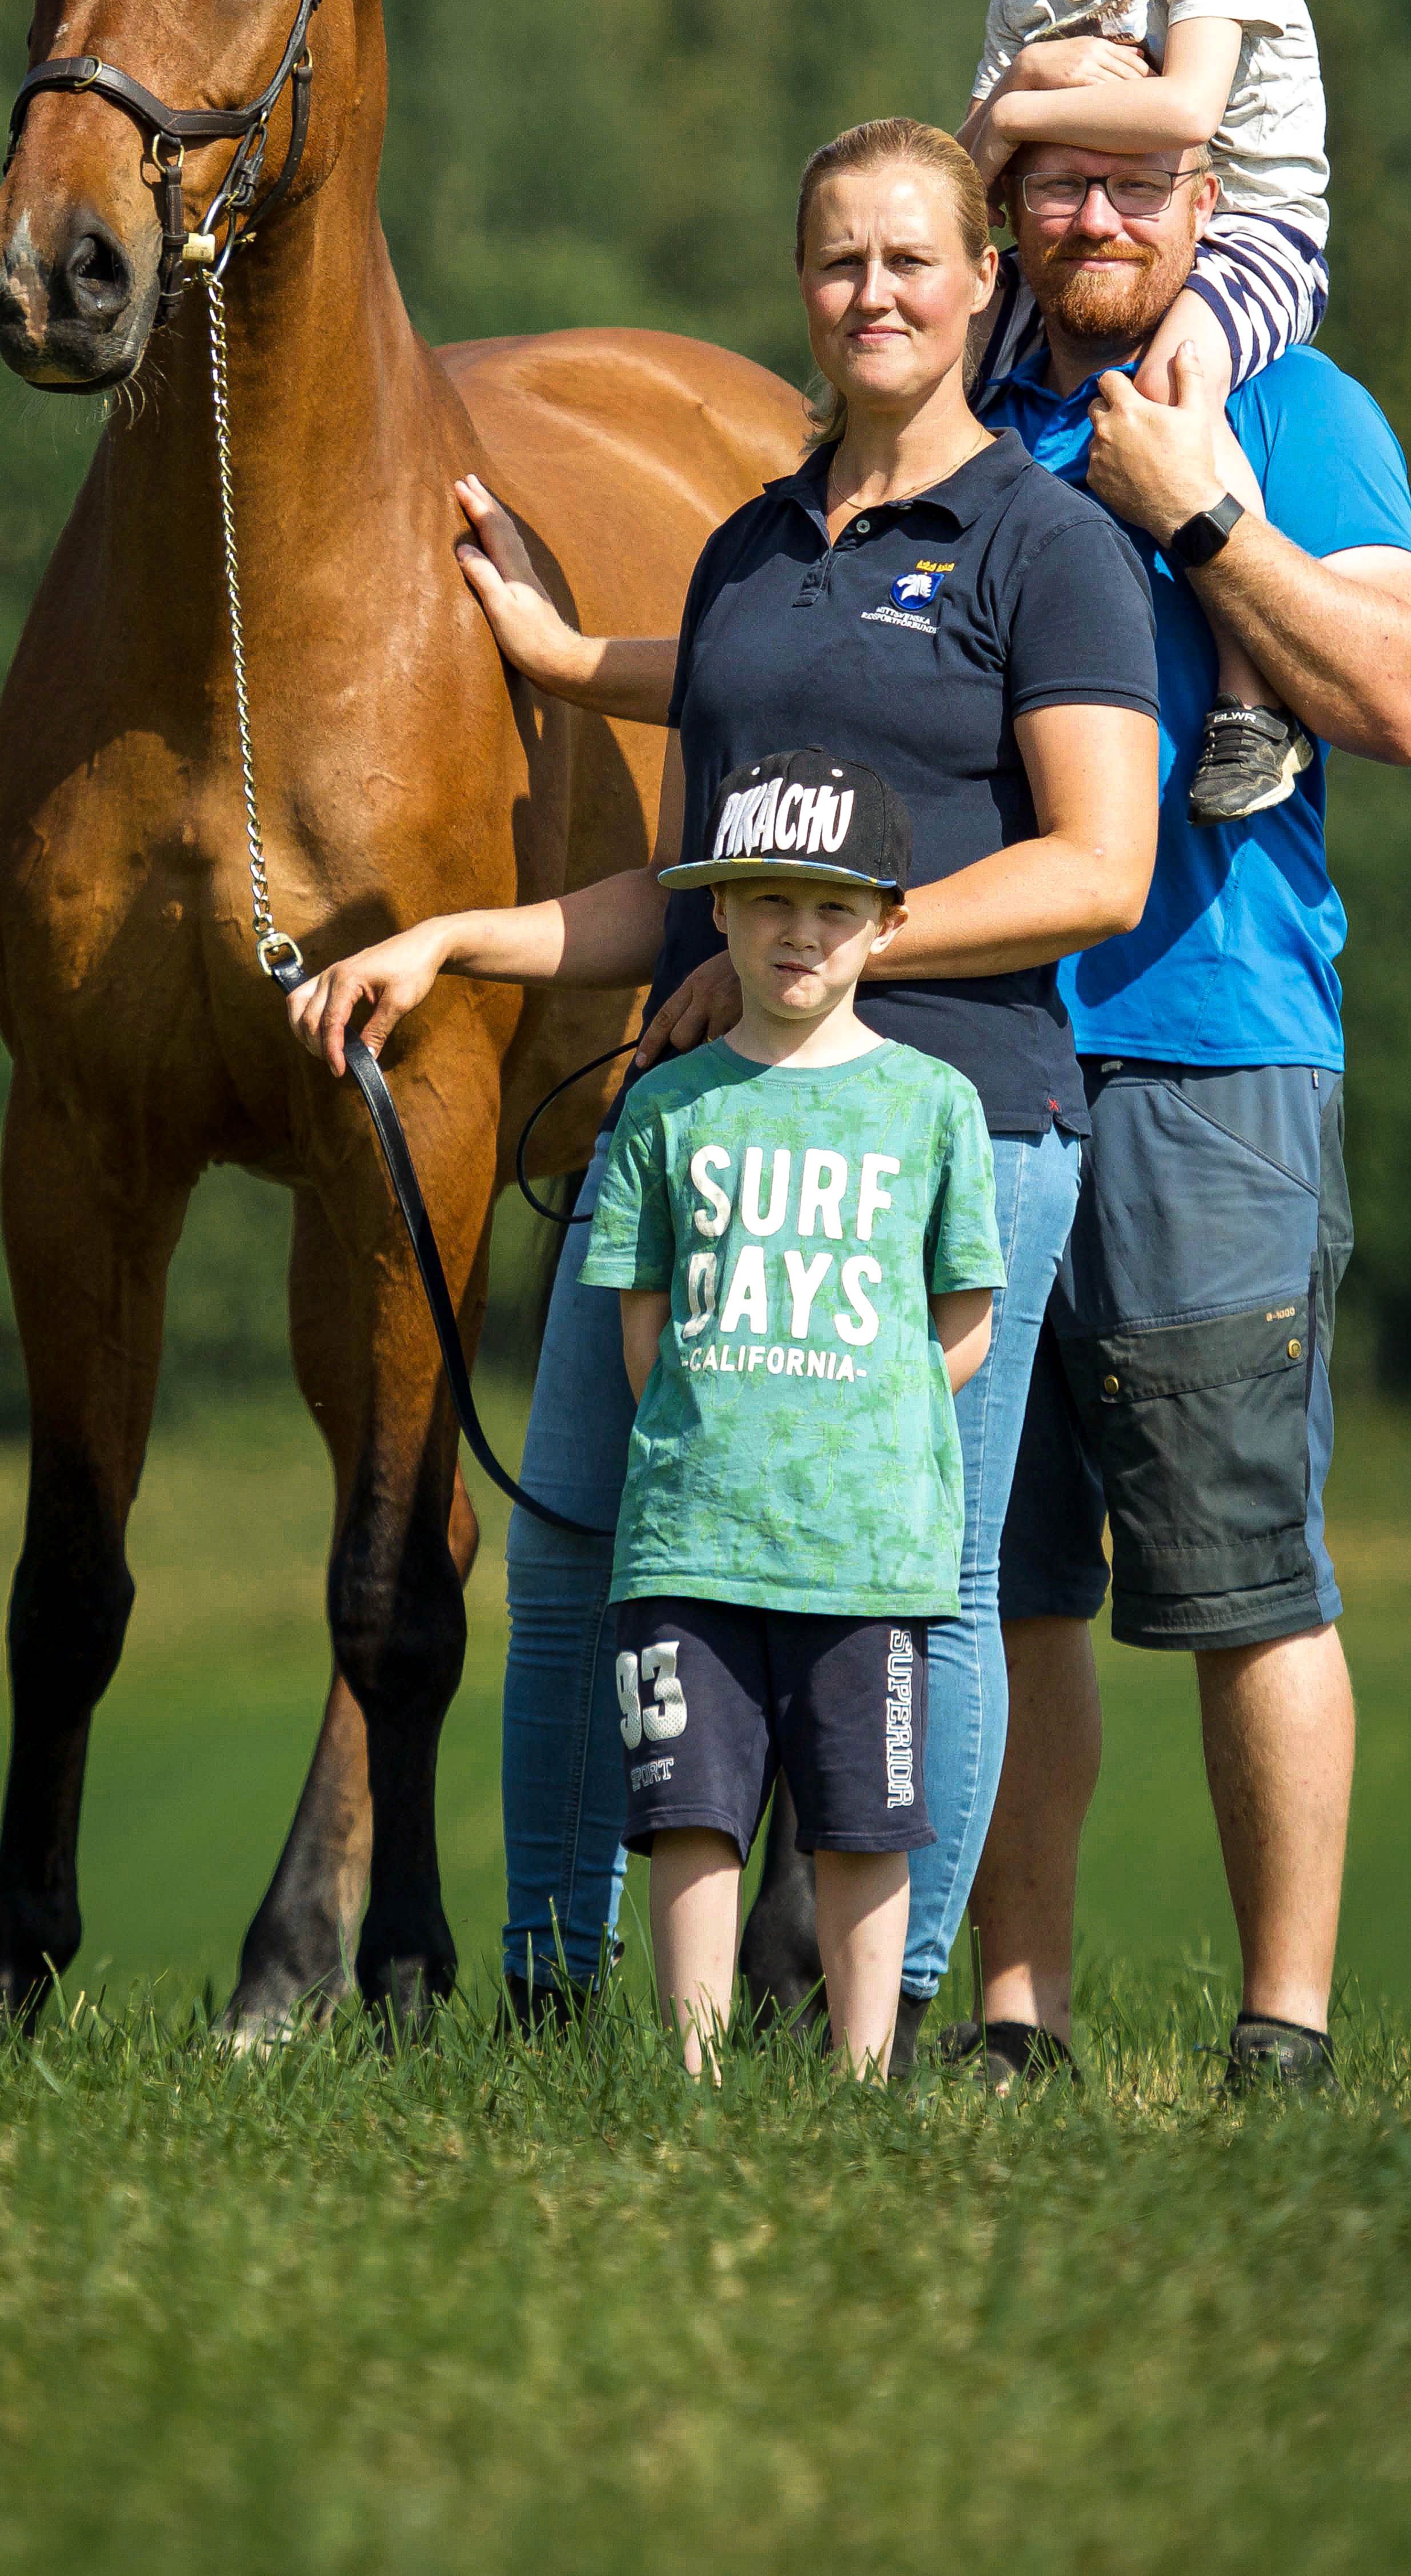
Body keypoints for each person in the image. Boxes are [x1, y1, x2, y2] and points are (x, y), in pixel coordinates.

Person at [295, 118, 1159, 2057]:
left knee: (915, 1577)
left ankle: (891, 2013)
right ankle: (548, 1992)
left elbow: (1094, 868)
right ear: (806, 285)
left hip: (949, 1130)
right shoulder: (753, 550)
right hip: (709, 1136)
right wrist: (458, 940)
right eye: (841, 261)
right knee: (586, 1539)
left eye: (913, 262)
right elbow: (688, 898)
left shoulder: (1051, 547)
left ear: (980, 285)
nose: (875, 294)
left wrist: (840, 943)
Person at [957, 132, 1411, 2096]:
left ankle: (1284, 2036)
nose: (1095, 221)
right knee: (999, 1575)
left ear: (1207, 213)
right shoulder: (959, 412)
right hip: (973, 1051)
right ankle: (1017, 2023)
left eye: (1139, 190)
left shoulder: (1292, 406)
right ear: (1008, 207)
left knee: (1243, 1562)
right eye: (1058, 186)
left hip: (1213, 1046)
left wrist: (1204, 520)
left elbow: (1407, 696)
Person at [583, 749, 1003, 2077]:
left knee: (863, 1822)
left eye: (831, 906)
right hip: (689, 1541)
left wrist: (857, 1410)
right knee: (689, 1812)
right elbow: (644, 1331)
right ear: (719, 914)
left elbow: (965, 1323)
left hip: (865, 1546)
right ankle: (690, 2076)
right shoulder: (664, 1108)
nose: (797, 932)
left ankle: (862, 2072)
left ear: (886, 920)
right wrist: (736, 1414)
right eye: (767, 901)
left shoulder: (934, 1107)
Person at [955, 0, 1332, 825]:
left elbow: (1183, 113)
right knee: (947, 356)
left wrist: (1022, 107)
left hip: (1244, 219)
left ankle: (1252, 698)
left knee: (1175, 380)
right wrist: (1023, 84)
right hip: (1077, 221)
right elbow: (962, 187)